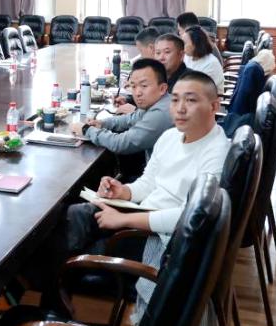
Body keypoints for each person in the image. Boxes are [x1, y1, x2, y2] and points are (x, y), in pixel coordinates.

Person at [54, 71, 229, 265]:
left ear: (214, 106)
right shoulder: (170, 136)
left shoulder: (217, 153)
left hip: (164, 238)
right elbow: (149, 182)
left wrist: (123, 220)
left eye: (191, 100)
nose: (180, 109)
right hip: (144, 212)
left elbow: (192, 216)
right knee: (74, 214)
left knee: (73, 249)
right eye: (175, 100)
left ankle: (62, 275)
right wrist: (124, 191)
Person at [69, 58, 173, 168]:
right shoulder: (157, 102)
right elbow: (130, 119)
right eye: (133, 86)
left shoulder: (160, 113)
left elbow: (121, 144)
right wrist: (102, 123)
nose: (137, 93)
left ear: (162, 88)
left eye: (144, 86)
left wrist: (86, 130)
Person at [183, 25, 225, 94]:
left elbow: (197, 88)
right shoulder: (187, 57)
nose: (182, 46)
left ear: (195, 44)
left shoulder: (211, 63)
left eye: (184, 43)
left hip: (208, 98)